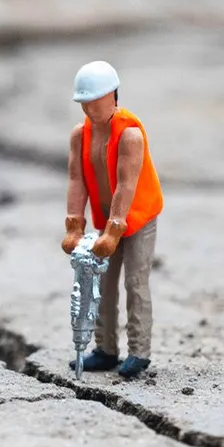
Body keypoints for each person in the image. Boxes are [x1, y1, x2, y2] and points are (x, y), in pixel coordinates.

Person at [61, 61, 164, 378]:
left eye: (95, 101)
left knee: (135, 282)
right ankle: (105, 349)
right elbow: (77, 180)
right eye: (84, 102)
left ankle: (139, 352)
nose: (89, 108)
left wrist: (114, 230)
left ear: (112, 96)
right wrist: (74, 225)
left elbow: (126, 185)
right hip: (105, 221)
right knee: (101, 284)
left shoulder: (129, 135)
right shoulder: (81, 135)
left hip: (137, 219)